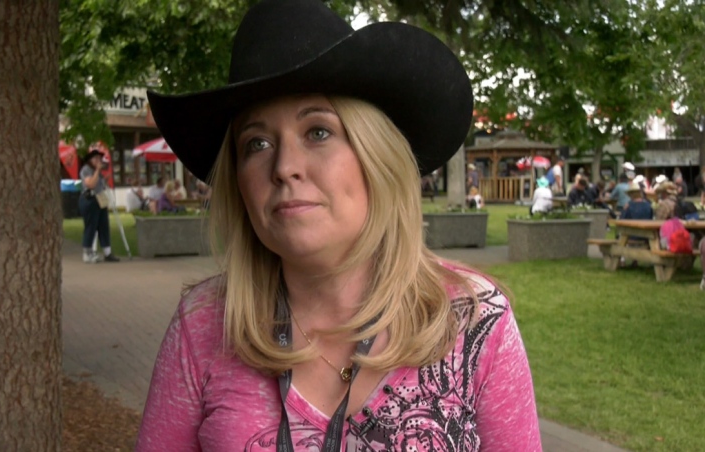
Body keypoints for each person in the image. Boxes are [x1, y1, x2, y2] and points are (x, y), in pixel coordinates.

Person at [136, 0, 540, 449]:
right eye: (257, 142)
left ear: (377, 156)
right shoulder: (204, 326)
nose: (285, 166)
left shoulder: (476, 322)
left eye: (318, 132)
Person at [78, 150, 119, 263]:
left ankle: (107, 252)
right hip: (90, 199)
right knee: (91, 226)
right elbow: (90, 184)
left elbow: (99, 184)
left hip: (100, 198)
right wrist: (97, 171)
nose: (98, 161)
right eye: (95, 158)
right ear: (90, 160)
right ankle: (87, 252)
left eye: (99, 159)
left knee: (104, 225)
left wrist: (104, 179)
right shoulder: (86, 170)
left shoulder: (98, 172)